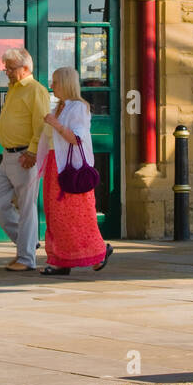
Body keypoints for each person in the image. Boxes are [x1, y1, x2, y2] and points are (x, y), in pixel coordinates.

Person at [37, 66, 112, 276]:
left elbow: (77, 138)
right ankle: (61, 260)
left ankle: (97, 252)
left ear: (66, 83)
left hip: (71, 169)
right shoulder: (60, 107)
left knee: (76, 216)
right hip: (55, 165)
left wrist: (55, 124)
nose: (51, 86)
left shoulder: (78, 107)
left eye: (55, 82)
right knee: (55, 216)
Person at [0, 47, 50, 272]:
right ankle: (28, 243)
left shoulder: (35, 90)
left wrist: (33, 152)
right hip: (8, 155)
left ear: (26, 68)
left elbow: (42, 124)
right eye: (6, 69)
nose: (8, 72)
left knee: (27, 207)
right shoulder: (14, 87)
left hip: (25, 155)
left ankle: (26, 258)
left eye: (11, 68)